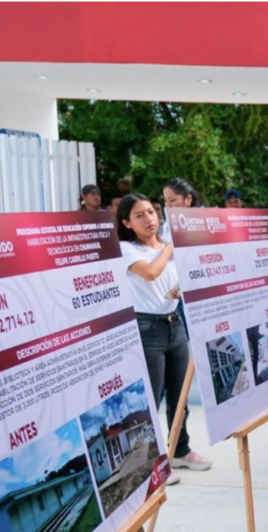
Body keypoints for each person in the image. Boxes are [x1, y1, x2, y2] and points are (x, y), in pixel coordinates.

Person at [116, 194, 213, 482]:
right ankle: (146, 463)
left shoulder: (163, 247)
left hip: (175, 324)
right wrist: (171, 248)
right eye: (139, 215)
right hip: (147, 329)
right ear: (126, 223)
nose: (149, 219)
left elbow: (175, 278)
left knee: (179, 396)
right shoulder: (127, 249)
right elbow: (149, 273)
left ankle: (179, 450)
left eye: (151, 212)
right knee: (151, 399)